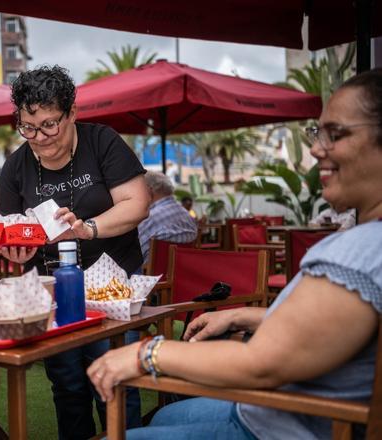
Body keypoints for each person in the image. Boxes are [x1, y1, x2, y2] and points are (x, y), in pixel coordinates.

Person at [87, 68, 382, 439]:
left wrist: (146, 353)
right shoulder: (368, 244)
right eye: (317, 133)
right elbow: (330, 327)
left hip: (289, 423)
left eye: (334, 134)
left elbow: (261, 365)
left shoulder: (359, 251)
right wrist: (246, 314)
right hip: (282, 410)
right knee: (161, 419)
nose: (316, 148)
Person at [0, 65, 150, 439]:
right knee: (67, 386)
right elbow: (11, 232)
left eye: (50, 124)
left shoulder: (102, 143)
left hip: (112, 289)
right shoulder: (17, 166)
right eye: (28, 128)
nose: (41, 137)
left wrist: (88, 228)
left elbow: (137, 202)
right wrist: (16, 252)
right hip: (53, 291)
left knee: (115, 382)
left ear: (72, 113)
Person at [138, 172, 198, 264]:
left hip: (150, 276)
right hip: (182, 273)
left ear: (149, 190)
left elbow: (135, 253)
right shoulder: (188, 215)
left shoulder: (148, 219)